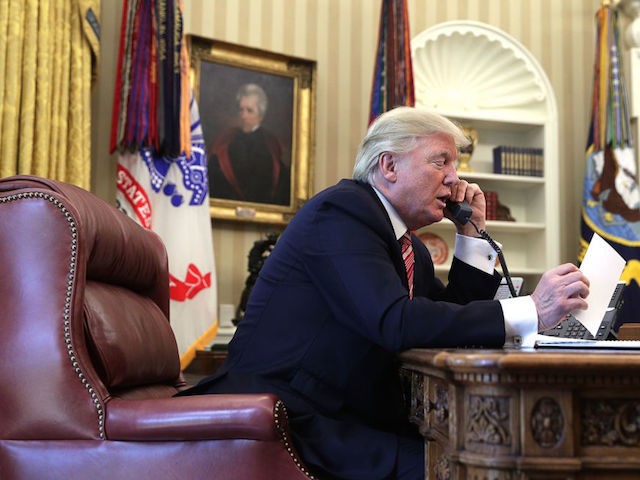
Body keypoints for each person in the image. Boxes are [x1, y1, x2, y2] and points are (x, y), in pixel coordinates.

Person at [180, 107, 590, 479]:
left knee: (486, 455)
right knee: (466, 468)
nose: (455, 178)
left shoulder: (409, 247)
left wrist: (471, 237)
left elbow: (445, 319)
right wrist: (531, 309)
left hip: (344, 414)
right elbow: (395, 322)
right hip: (290, 417)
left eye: (456, 164)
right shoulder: (341, 213)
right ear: (389, 166)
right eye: (440, 162)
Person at [208, 83, 290, 205]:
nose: (243, 115)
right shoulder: (226, 140)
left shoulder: (271, 145)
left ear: (260, 116)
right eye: (241, 110)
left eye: (249, 111)